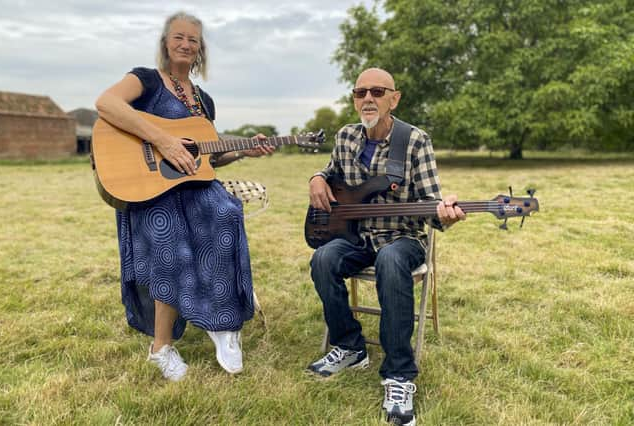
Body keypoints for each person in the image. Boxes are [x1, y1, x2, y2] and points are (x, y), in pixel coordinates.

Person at [95, 11, 274, 381]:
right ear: (165, 43)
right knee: (171, 239)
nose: (186, 44)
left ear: (200, 50)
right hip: (151, 190)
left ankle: (224, 323)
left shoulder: (203, 101)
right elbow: (106, 104)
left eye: (193, 40)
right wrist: (162, 139)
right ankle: (161, 347)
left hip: (190, 188)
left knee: (226, 213)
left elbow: (205, 156)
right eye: (179, 37)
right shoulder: (145, 79)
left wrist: (243, 150)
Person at [307, 68, 465, 425]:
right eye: (360, 92)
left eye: (377, 92)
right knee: (323, 259)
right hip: (356, 237)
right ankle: (349, 346)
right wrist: (316, 177)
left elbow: (432, 203)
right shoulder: (346, 136)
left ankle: (398, 374)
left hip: (403, 238)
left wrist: (446, 216)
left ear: (394, 98)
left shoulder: (413, 141)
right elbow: (330, 171)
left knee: (391, 260)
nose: (368, 98)